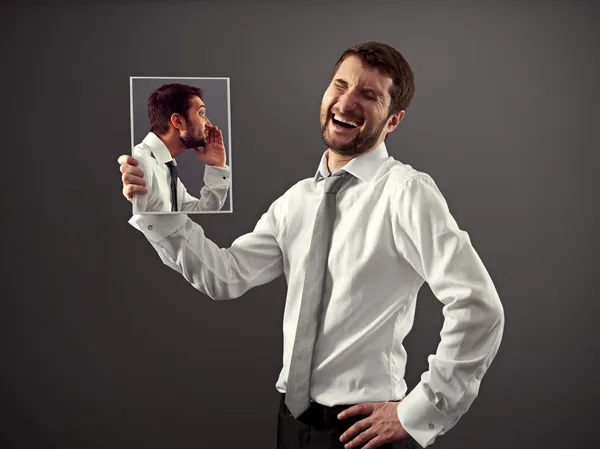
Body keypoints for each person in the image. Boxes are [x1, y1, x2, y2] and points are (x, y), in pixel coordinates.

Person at [118, 42, 504, 449]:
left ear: (393, 120)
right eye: (340, 84)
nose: (347, 101)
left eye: (369, 95)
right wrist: (154, 211)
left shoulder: (406, 193)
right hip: (291, 423)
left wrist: (420, 411)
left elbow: (478, 306)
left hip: (364, 430)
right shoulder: (296, 200)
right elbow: (225, 277)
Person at [131, 83, 230, 214]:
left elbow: (199, 213)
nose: (208, 124)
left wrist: (217, 166)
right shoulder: (138, 162)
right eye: (201, 113)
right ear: (178, 121)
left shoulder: (167, 167)